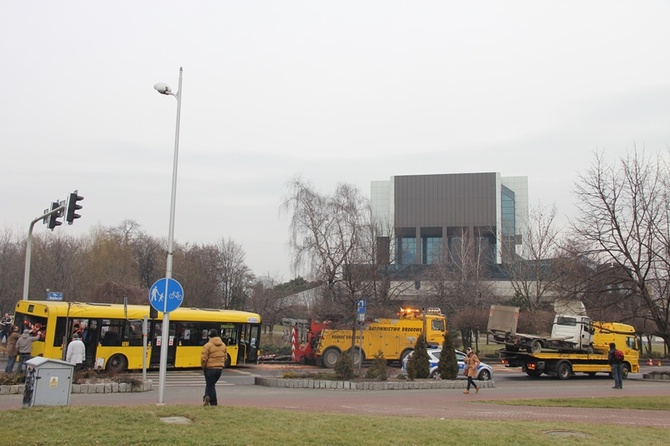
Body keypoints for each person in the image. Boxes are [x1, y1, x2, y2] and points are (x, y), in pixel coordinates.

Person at [200, 328, 227, 406]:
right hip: (219, 369)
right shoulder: (223, 345)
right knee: (210, 384)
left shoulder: (207, 346)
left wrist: (203, 366)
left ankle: (213, 403)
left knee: (211, 386)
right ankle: (206, 397)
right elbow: (225, 357)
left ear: (209, 336)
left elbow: (203, 358)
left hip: (210, 369)